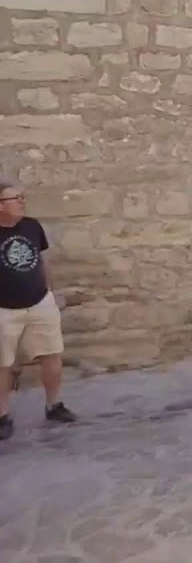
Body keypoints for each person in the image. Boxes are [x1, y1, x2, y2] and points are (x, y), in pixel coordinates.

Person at [0, 180, 77, 441]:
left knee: (51, 355)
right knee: (3, 364)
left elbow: (41, 260)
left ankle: (53, 405)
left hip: (39, 302)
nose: (22, 201)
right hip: (4, 309)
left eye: (22, 197)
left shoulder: (32, 226)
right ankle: (2, 416)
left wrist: (50, 294)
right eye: (15, 198)